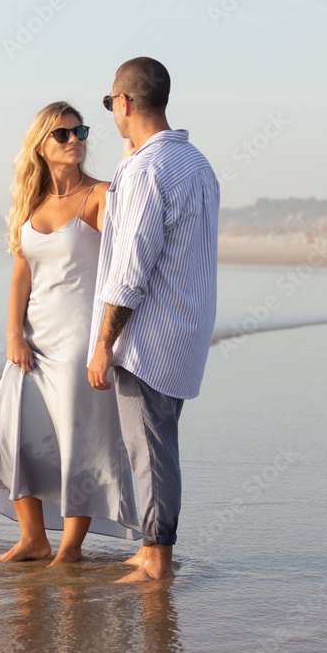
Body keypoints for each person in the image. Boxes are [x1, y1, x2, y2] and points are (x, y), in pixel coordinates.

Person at [0, 101, 141, 567]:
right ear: (41, 146)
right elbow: (20, 272)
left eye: (80, 131)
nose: (75, 140)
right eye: (63, 134)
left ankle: (69, 548)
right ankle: (33, 539)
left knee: (78, 440)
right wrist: (13, 333)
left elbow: (128, 253)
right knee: (13, 435)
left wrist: (106, 343)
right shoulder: (33, 202)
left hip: (79, 340)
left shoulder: (100, 195)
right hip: (32, 340)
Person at [87, 57, 220, 582]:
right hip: (185, 330)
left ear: (123, 103)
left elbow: (130, 271)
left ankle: (157, 560)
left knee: (150, 450)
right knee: (156, 444)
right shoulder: (195, 163)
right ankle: (150, 548)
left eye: (110, 104)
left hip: (148, 338)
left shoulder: (146, 171)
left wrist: (102, 344)